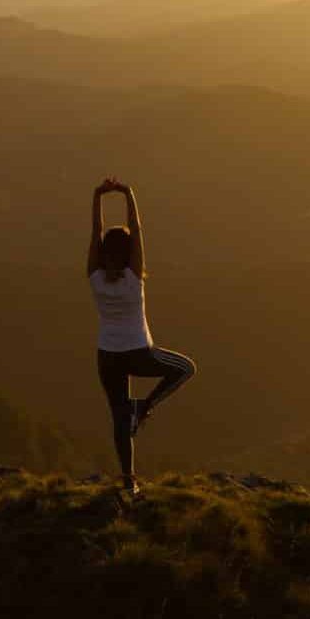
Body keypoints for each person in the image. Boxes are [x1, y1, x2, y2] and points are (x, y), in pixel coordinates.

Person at [87, 179, 196, 496]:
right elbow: (138, 229)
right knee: (186, 368)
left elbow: (96, 233)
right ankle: (145, 406)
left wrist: (97, 197)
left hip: (107, 356)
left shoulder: (94, 277)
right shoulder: (134, 278)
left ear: (104, 251)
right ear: (128, 252)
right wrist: (128, 193)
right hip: (138, 352)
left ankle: (128, 480)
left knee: (119, 418)